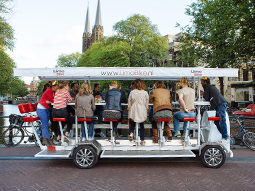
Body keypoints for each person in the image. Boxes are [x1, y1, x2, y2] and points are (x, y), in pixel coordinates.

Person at [201, 77, 229, 141]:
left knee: (222, 120)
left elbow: (207, 98)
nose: (201, 83)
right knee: (217, 121)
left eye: (202, 81)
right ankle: (224, 135)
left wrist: (203, 94)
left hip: (220, 104)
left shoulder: (206, 86)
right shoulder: (210, 86)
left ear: (205, 82)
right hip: (220, 104)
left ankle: (225, 137)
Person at [36, 80, 59, 146]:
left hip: (46, 109)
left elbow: (52, 100)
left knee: (46, 125)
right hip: (41, 109)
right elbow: (53, 100)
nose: (57, 88)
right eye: (57, 87)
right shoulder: (49, 91)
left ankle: (47, 140)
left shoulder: (52, 91)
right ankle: (47, 140)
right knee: (45, 125)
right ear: (54, 86)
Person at [128, 79, 149, 146]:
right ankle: (142, 140)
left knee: (133, 122)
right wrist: (146, 109)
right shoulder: (145, 93)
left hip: (134, 109)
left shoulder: (132, 92)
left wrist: (129, 108)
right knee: (142, 125)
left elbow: (129, 102)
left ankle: (131, 133)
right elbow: (146, 104)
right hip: (142, 109)